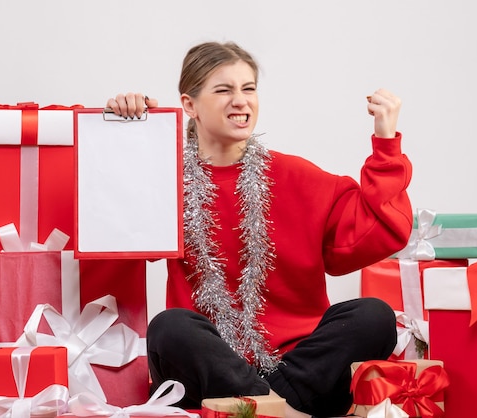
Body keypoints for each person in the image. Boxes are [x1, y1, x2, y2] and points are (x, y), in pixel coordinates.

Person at [106, 41, 412, 418]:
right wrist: (131, 134)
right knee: (170, 328)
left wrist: (385, 142)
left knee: (374, 316)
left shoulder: (297, 176)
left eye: (248, 88)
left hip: (301, 367)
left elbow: (380, 229)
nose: (241, 101)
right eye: (223, 90)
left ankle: (268, 409)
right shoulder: (166, 179)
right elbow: (113, 229)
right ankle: (287, 411)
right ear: (189, 105)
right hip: (213, 370)